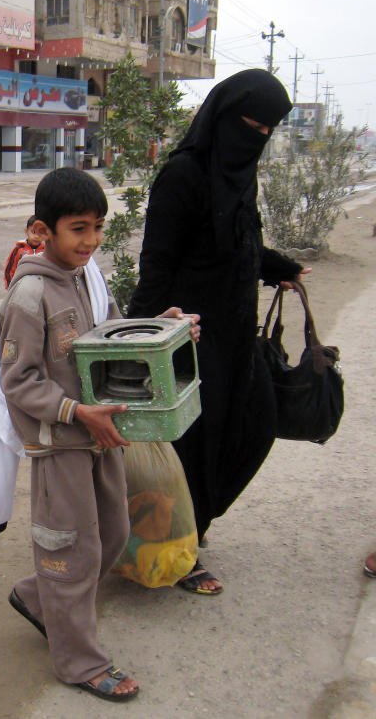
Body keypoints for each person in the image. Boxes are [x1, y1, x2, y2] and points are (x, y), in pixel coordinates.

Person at [0, 168, 199, 702]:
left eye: (98, 228)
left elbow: (108, 339)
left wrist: (159, 327)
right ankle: (79, 661)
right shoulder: (29, 295)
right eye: (78, 229)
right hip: (61, 442)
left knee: (111, 534)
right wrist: (74, 411)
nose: (91, 241)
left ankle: (36, 596)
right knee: (71, 550)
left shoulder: (88, 276)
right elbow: (18, 381)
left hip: (101, 435)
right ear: (43, 231)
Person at [127, 69, 306, 595]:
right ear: (224, 118)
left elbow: (241, 242)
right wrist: (143, 335)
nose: (258, 139)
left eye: (268, 132)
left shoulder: (240, 175)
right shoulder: (183, 176)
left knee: (252, 424)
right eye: (252, 126)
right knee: (193, 446)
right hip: (189, 337)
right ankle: (183, 544)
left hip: (234, 336)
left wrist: (280, 267)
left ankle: (197, 523)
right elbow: (157, 264)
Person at [2, 215, 45, 288]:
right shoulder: (19, 250)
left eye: (40, 233)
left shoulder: (46, 251)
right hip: (22, 287)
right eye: (33, 232)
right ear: (26, 231)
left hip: (42, 289)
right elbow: (10, 270)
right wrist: (10, 287)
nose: (37, 236)